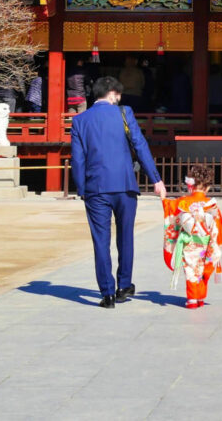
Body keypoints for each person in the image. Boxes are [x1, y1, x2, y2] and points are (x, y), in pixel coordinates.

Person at [70, 77, 166, 308]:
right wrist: (156, 179)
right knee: (126, 236)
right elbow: (140, 145)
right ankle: (124, 285)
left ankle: (107, 293)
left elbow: (77, 159)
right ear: (112, 94)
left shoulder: (79, 120)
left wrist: (83, 189)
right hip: (125, 185)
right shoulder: (124, 113)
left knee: (100, 241)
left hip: (96, 188)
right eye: (119, 95)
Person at [162, 163, 222, 308]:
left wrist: (163, 198)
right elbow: (218, 227)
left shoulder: (183, 202)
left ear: (191, 185)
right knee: (204, 270)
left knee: (191, 270)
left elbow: (170, 208)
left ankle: (192, 299)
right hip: (207, 246)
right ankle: (200, 297)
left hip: (190, 244)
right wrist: (217, 243)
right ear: (207, 187)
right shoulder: (211, 205)